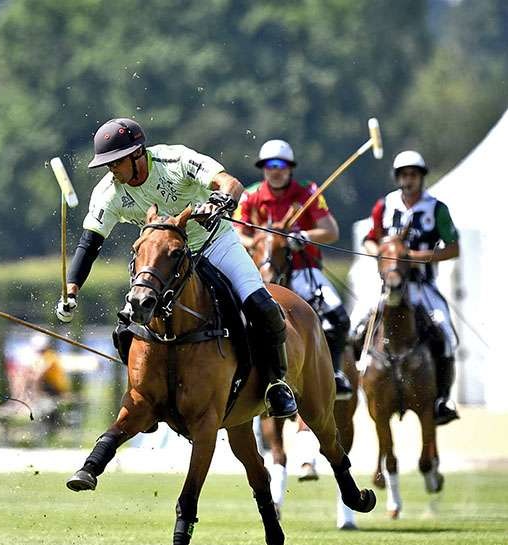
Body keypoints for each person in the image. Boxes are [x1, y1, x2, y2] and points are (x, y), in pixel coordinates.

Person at [57, 118, 297, 418]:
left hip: (214, 244)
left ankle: (276, 383)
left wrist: (220, 200)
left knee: (262, 305)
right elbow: (90, 244)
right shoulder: (109, 192)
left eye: (116, 162)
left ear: (136, 155)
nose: (111, 170)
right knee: (126, 326)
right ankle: (143, 393)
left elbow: (229, 182)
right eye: (107, 164)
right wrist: (71, 290)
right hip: (164, 263)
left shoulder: (175, 160)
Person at [237, 139, 352, 400]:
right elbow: (237, 232)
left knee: (338, 318)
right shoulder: (251, 195)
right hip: (261, 272)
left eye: (280, 165)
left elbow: (331, 231)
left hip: (303, 269)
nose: (274, 170)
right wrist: (258, 240)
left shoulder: (307, 193)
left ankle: (334, 374)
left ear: (289, 168)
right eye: (268, 165)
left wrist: (303, 235)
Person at [362, 150, 460, 425]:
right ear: (398, 178)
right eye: (404, 174)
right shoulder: (384, 205)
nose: (409, 179)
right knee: (360, 325)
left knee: (446, 334)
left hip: (422, 286)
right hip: (388, 284)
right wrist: (383, 253)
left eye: (414, 174)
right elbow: (370, 240)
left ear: (421, 177)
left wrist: (415, 257)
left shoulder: (436, 209)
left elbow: (454, 248)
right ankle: (361, 382)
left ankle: (442, 398)